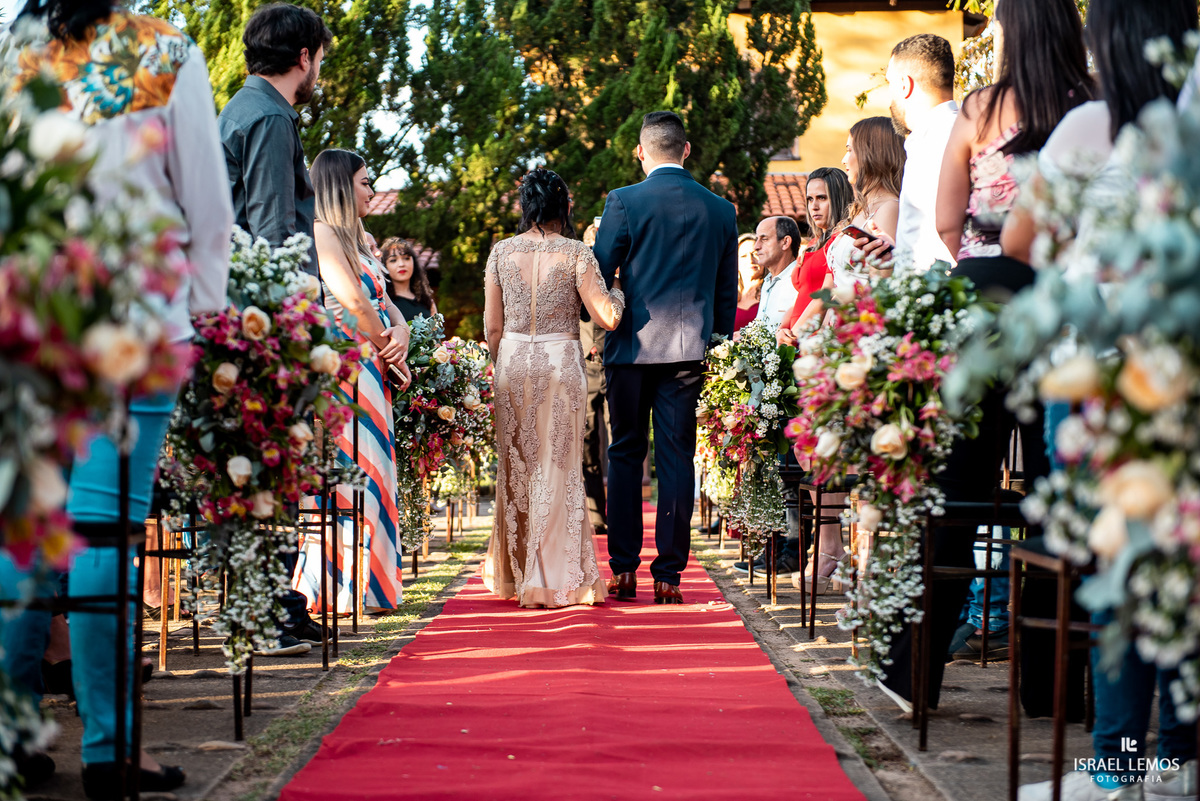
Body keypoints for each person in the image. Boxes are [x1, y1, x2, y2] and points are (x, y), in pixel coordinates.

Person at [3, 0, 233, 795]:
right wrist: (202, 312)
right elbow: (208, 207)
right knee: (104, 533)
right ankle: (110, 748)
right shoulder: (162, 52)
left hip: (30, 325)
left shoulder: (16, 54)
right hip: (135, 323)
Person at [877, 0, 1093, 717]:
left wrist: (983, 246)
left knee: (956, 490)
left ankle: (916, 675)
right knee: (1053, 489)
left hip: (981, 299)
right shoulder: (1091, 105)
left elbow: (945, 223)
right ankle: (1053, 686)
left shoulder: (978, 109)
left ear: (1010, 32)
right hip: (1063, 306)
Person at [1014, 2, 1200, 800]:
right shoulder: (1189, 118)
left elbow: (1019, 239)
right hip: (1181, 367)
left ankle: (1118, 764)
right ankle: (1181, 758)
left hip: (1098, 373)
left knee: (1117, 563)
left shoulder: (1092, 125)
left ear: (1109, 40)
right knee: (1182, 559)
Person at [218, 3, 345, 654]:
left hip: (240, 318)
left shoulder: (244, 109)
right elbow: (273, 238)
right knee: (269, 463)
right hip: (262, 327)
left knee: (262, 468)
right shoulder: (268, 118)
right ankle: (265, 609)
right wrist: (297, 334)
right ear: (304, 58)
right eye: (320, 58)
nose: (319, 69)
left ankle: (268, 603)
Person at [594, 111, 738, 605]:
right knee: (677, 457)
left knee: (625, 453)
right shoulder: (720, 210)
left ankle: (623, 569)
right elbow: (725, 291)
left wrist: (607, 311)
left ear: (641, 151)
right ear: (687, 149)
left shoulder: (623, 201)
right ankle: (669, 575)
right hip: (690, 350)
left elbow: (598, 274)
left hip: (630, 346)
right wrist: (718, 347)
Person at [481, 168, 624, 608]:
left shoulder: (501, 252)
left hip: (512, 363)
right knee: (558, 468)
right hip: (560, 362)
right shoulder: (577, 253)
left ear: (526, 205)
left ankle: (517, 573)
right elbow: (607, 317)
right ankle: (555, 576)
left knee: (517, 467)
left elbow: (492, 327)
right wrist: (619, 288)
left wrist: (503, 361)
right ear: (564, 206)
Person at [293, 149, 411, 615]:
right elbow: (353, 302)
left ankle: (374, 585)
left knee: (377, 470)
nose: (371, 190)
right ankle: (340, 586)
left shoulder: (363, 238)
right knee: (351, 471)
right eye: (365, 182)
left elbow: (386, 301)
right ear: (341, 186)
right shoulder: (321, 232)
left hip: (374, 363)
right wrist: (389, 348)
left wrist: (401, 334)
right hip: (346, 370)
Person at [887, 34, 958, 273]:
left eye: (890, 84)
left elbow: (948, 228)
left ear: (904, 85)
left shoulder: (941, 138)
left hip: (940, 285)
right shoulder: (943, 133)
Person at [778, 167, 854, 343]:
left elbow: (826, 296)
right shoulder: (814, 243)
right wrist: (782, 329)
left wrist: (794, 336)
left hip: (813, 339)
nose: (814, 206)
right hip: (796, 335)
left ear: (839, 199)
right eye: (810, 199)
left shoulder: (841, 241)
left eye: (822, 198)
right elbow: (802, 297)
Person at [828, 117, 905, 288]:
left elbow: (880, 283)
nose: (844, 160)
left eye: (850, 150)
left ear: (871, 154)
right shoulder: (861, 208)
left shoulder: (889, 208)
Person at [579, 222, 610, 537]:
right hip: (584, 365)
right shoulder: (577, 267)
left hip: (616, 362)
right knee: (586, 441)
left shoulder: (622, 268)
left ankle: (622, 512)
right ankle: (597, 515)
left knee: (621, 440)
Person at [750, 216, 802, 331]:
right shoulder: (767, 281)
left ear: (785, 242)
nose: (756, 246)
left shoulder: (800, 279)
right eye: (757, 239)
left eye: (764, 239)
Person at [380, 237, 437, 320]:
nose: (401, 264)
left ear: (414, 262)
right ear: (384, 266)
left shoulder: (426, 300)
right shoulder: (383, 301)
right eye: (393, 260)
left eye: (406, 258)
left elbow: (436, 327)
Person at [734, 232, 762, 332]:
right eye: (743, 256)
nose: (750, 260)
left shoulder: (773, 291)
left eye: (755, 254)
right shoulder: (727, 295)